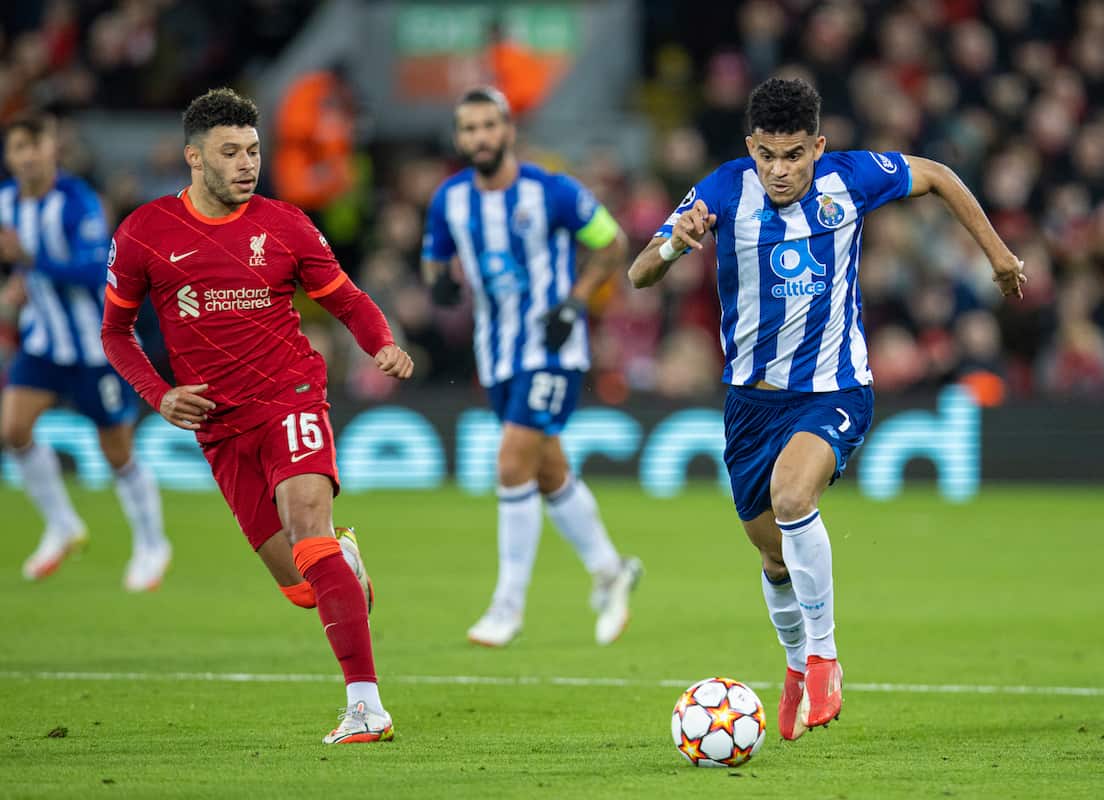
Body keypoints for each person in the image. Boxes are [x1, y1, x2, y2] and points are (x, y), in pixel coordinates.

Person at [628, 78, 1025, 739]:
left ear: (818, 146)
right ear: (750, 147)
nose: (779, 171)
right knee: (774, 557)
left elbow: (939, 175)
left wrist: (999, 256)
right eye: (766, 156)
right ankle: (793, 664)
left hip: (836, 387)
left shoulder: (854, 178)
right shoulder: (723, 189)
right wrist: (676, 242)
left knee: (791, 498)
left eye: (793, 156)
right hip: (751, 404)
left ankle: (825, 658)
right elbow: (640, 273)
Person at [100, 88, 414, 744]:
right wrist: (157, 394)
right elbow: (116, 334)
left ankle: (366, 707)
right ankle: (342, 557)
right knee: (302, 584)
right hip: (219, 427)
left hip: (291, 397)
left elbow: (349, 300)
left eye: (254, 150)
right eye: (231, 152)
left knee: (308, 532)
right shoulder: (144, 234)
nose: (247, 163)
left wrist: (380, 342)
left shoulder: (287, 224)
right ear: (194, 157)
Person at [422, 87, 642, 648]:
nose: (479, 138)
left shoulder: (553, 191)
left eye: (488, 126)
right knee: (548, 471)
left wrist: (575, 302)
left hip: (552, 348)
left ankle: (507, 606)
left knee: (512, 459)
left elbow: (612, 243)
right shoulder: (449, 199)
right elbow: (434, 263)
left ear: (508, 130)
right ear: (459, 137)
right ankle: (610, 569)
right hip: (496, 355)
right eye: (468, 129)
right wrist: (440, 284)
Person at [0, 112, 170, 591]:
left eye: (35, 146)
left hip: (99, 349)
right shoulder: (6, 202)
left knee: (116, 452)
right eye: (18, 147)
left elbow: (94, 271)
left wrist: (29, 262)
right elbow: (20, 266)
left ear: (53, 150)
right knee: (13, 429)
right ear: (10, 156)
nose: (27, 156)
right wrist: (18, 283)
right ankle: (62, 524)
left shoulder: (79, 203)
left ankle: (153, 542)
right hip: (44, 343)